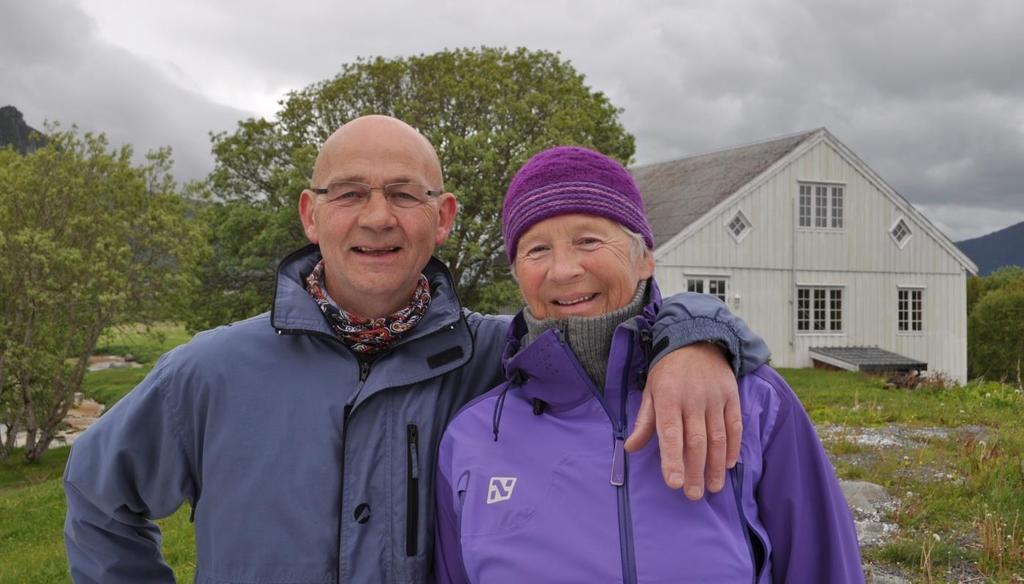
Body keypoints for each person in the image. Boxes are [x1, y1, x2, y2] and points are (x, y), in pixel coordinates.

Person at [63, 116, 771, 583]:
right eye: (349, 194)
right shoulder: (210, 372)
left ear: (443, 217)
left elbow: (614, 316)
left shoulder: (501, 355)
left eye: (404, 194)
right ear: (312, 215)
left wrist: (694, 336)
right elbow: (99, 499)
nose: (377, 217)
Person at [435, 146, 863, 583]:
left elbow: (826, 568)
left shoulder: (751, 400)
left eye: (588, 240)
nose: (563, 270)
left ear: (645, 258)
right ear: (518, 274)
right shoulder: (471, 436)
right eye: (537, 249)